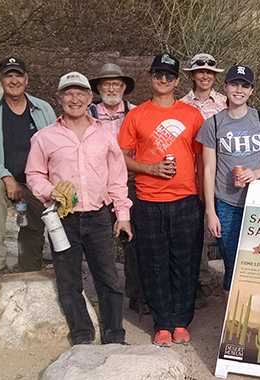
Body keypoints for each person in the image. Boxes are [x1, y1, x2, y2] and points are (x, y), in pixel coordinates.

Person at [26, 71, 131, 345]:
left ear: (89, 98)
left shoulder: (105, 136)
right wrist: (51, 191)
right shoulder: (44, 137)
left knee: (108, 279)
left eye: (80, 93)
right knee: (69, 281)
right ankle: (82, 335)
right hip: (63, 219)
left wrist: (123, 215)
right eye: (69, 93)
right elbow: (34, 174)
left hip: (99, 217)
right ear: (60, 98)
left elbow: (117, 178)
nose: (75, 99)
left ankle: (114, 334)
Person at [118, 53, 205, 347]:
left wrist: (204, 199)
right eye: (158, 74)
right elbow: (122, 159)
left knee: (185, 262)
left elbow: (201, 159)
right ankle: (162, 323)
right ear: (150, 78)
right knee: (154, 264)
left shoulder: (192, 115)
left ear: (178, 80)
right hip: (148, 201)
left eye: (169, 75)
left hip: (185, 200)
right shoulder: (136, 115)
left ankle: (181, 320)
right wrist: (150, 168)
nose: (163, 80)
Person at [197, 64, 260, 295]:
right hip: (226, 203)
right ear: (225, 87)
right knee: (232, 258)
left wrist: (255, 173)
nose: (239, 90)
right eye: (234, 84)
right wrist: (210, 212)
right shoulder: (213, 123)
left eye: (245, 86)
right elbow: (208, 169)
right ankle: (233, 318)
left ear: (251, 90)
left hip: (258, 203)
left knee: (259, 259)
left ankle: (257, 311)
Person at [0, 56, 55, 282]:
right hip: (2, 180)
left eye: (18, 75)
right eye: (8, 75)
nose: (14, 80)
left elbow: (54, 147)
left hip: (35, 181)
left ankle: (28, 264)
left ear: (26, 79)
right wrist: (7, 177)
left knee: (33, 236)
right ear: (0, 80)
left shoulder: (43, 109)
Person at [87, 63, 146, 315]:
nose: (111, 88)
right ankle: (105, 295)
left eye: (116, 84)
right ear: (99, 88)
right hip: (98, 184)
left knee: (132, 239)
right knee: (100, 241)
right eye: (106, 84)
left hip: (130, 182)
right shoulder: (89, 113)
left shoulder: (137, 112)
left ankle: (136, 294)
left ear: (124, 88)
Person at [180, 53, 226, 310]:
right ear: (192, 75)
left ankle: (230, 281)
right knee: (195, 231)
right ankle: (200, 281)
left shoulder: (226, 102)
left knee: (225, 227)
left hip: (225, 173)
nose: (205, 76)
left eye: (210, 72)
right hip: (193, 172)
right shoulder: (180, 105)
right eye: (200, 72)